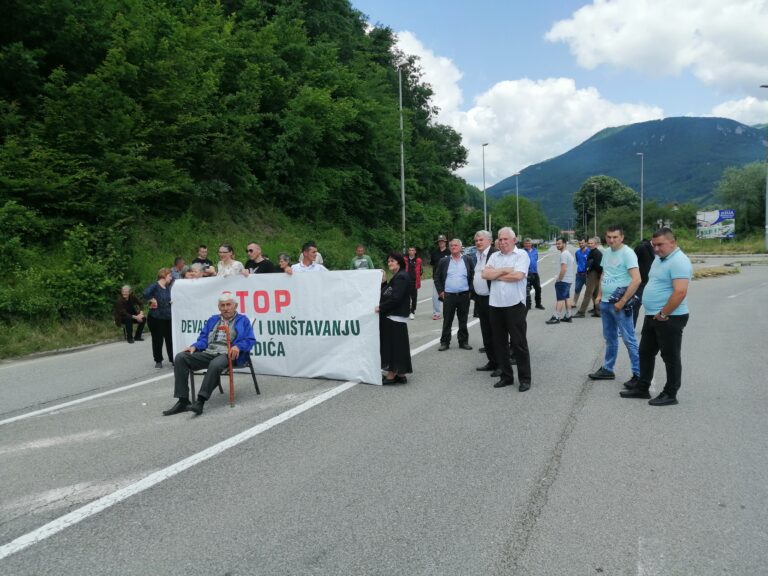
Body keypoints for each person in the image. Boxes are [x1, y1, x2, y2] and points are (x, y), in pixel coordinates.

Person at [621, 228, 692, 406]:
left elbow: (680, 292)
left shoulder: (679, 261)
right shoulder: (660, 259)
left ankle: (670, 393)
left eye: (660, 244)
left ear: (672, 242)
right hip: (653, 315)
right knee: (645, 352)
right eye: (654, 245)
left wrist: (663, 313)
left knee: (670, 356)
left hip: (670, 317)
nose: (657, 248)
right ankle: (642, 387)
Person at [162, 292, 256, 416]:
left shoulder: (243, 320)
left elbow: (250, 340)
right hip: (210, 351)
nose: (226, 308)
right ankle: (183, 401)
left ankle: (200, 401)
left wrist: (238, 346)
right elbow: (203, 339)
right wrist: (195, 346)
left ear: (235, 306)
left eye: (228, 305)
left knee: (215, 364)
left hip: (229, 354)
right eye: (222, 305)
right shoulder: (213, 320)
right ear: (219, 307)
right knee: (181, 357)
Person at [588, 225, 641, 386]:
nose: (611, 240)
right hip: (605, 303)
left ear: (622, 237)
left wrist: (622, 301)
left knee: (629, 339)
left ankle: (638, 374)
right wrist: (599, 295)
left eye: (615, 237)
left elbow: (636, 279)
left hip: (619, 304)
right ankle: (608, 369)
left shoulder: (628, 253)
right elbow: (605, 273)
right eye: (609, 237)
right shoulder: (607, 253)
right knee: (610, 338)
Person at [482, 227, 532, 391]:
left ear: (513, 240)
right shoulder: (495, 256)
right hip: (495, 305)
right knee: (499, 343)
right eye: (500, 239)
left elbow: (518, 276)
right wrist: (504, 270)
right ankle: (506, 376)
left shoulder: (522, 255)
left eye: (506, 239)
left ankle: (525, 378)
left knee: (518, 343)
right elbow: (485, 275)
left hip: (515, 304)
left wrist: (496, 274)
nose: (502, 242)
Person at [376, 252, 412, 384]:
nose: (389, 263)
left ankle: (391, 375)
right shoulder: (398, 276)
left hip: (394, 315)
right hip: (395, 316)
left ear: (399, 262)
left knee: (393, 346)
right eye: (388, 261)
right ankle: (401, 374)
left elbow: (396, 298)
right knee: (398, 346)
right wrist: (385, 281)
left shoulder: (401, 277)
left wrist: (381, 307)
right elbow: (388, 292)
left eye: (392, 261)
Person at [434, 238, 475, 351]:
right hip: (449, 295)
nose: (453, 247)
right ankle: (445, 342)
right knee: (447, 320)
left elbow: (472, 275)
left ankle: (463, 342)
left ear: (461, 247)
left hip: (464, 295)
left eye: (456, 245)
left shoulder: (468, 259)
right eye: (451, 245)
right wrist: (440, 291)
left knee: (463, 320)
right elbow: (437, 277)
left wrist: (471, 290)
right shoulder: (444, 261)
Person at [472, 230, 498, 372]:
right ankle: (492, 361)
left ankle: (501, 364)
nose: (478, 243)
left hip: (492, 299)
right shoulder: (478, 255)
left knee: (496, 333)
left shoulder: (494, 254)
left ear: (490, 241)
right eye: (476, 241)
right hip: (481, 299)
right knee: (486, 332)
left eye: (481, 240)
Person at [143, 267, 174, 368]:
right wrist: (152, 299)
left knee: (170, 339)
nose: (171, 277)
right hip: (156, 318)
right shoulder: (155, 286)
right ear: (164, 276)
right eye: (169, 275)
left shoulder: (168, 287)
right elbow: (145, 293)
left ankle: (173, 358)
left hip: (168, 318)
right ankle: (158, 360)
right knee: (157, 339)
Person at [546, 237, 576, 324]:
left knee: (560, 299)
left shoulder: (564, 254)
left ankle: (556, 317)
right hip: (569, 280)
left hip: (563, 281)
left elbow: (564, 269)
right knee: (567, 298)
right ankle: (568, 315)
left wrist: (559, 279)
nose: (557, 245)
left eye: (559, 243)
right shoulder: (568, 254)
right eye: (557, 243)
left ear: (564, 244)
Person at [575, 236, 603, 318]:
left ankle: (581, 312)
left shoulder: (597, 253)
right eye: (589, 243)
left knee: (588, 293)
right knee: (595, 293)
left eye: (592, 243)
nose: (590, 245)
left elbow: (599, 266)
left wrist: (598, 275)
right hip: (592, 273)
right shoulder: (592, 251)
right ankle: (597, 310)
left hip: (594, 274)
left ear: (596, 244)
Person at [633, 237, 655, 327]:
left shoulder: (660, 249)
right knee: (635, 305)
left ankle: (649, 328)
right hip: (641, 282)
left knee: (652, 306)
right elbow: (632, 263)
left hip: (653, 282)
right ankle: (630, 327)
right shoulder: (641, 248)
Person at [429, 235, 450, 320]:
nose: (441, 242)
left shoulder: (449, 252)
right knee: (435, 296)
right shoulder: (434, 253)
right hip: (437, 278)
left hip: (447, 277)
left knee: (448, 296)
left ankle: (448, 311)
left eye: (442, 241)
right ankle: (436, 313)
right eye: (439, 241)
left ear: (445, 242)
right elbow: (432, 264)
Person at [523, 238, 544, 310]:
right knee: (527, 290)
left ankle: (538, 304)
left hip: (535, 272)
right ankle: (528, 305)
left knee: (538, 289)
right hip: (526, 273)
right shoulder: (522, 251)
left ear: (531, 244)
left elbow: (536, 259)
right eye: (526, 243)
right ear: (524, 244)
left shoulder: (535, 251)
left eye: (529, 243)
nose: (528, 245)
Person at [405, 246, 422, 319]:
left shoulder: (418, 260)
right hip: (406, 281)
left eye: (413, 250)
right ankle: (407, 311)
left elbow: (420, 270)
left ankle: (412, 311)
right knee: (406, 297)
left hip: (414, 281)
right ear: (408, 252)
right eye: (410, 250)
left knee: (414, 298)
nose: (411, 251)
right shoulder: (405, 259)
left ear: (415, 251)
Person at [573, 237, 590, 310]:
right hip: (579, 274)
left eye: (582, 243)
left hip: (587, 274)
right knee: (577, 289)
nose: (581, 244)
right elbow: (577, 262)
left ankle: (596, 305)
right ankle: (574, 302)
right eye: (579, 243)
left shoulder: (589, 252)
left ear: (585, 243)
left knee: (590, 290)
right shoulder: (577, 252)